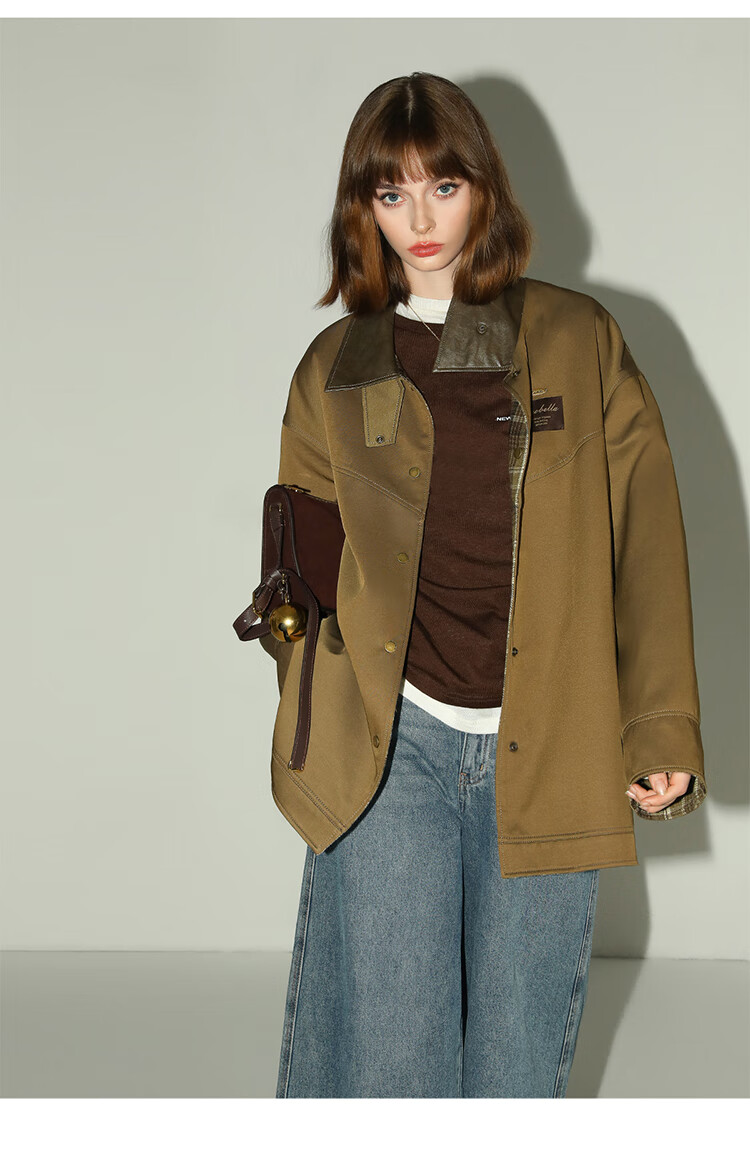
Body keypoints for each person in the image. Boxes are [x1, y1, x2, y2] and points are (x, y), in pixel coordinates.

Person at [256, 72, 707, 1098]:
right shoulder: (333, 370)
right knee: (396, 1070)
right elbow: (300, 576)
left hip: (550, 741)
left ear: (484, 189)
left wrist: (660, 726)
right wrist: (318, 712)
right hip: (392, 752)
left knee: (514, 1076)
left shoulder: (578, 340)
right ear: (362, 209)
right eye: (391, 193)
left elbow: (645, 541)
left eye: (443, 186)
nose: (420, 220)